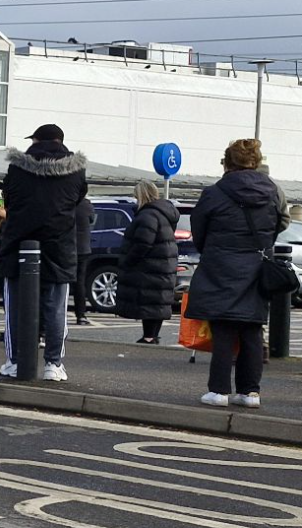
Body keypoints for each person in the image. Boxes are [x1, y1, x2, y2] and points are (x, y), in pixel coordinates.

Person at [187, 139, 284, 408]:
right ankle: (250, 392)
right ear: (256, 161)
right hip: (257, 266)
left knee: (224, 327)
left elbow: (199, 230)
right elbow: (278, 225)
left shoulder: (214, 193)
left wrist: (214, 249)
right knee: (252, 328)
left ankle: (219, 391)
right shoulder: (273, 192)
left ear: (227, 162)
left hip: (221, 265)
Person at [0, 124, 88, 382]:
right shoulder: (76, 169)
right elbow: (77, 198)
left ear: (36, 140)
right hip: (60, 245)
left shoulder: (17, 167)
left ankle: (15, 362)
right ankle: (53, 365)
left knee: (15, 307)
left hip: (19, 242)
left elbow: (9, 199)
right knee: (56, 308)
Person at [115, 179, 178, 345]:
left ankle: (149, 336)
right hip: (163, 265)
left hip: (150, 266)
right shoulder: (163, 213)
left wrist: (128, 260)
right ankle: (152, 335)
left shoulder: (148, 215)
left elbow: (143, 243)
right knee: (158, 302)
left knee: (149, 300)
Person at [71, 199, 94, 325]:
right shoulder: (86, 205)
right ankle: (81, 315)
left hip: (68, 247)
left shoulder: (67, 203)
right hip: (83, 248)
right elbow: (91, 219)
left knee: (62, 281)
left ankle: (58, 314)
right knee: (80, 283)